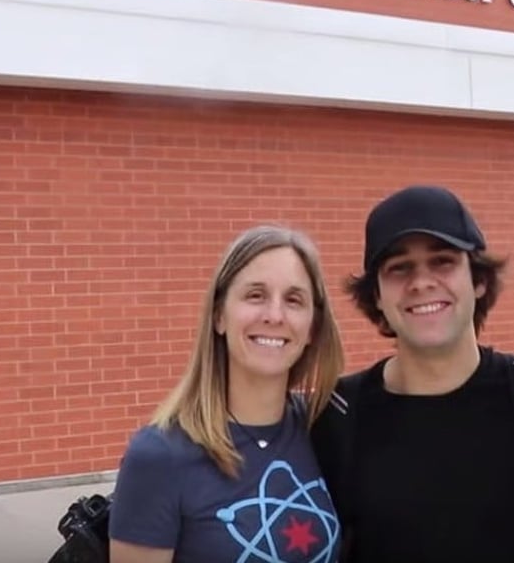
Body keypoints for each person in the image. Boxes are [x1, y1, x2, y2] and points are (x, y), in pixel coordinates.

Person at [311, 185, 514, 563]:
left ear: (478, 280)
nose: (421, 282)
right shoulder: (338, 414)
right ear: (377, 295)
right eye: (399, 268)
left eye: (443, 261)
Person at [108, 225, 346, 563]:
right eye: (255, 295)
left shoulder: (326, 430)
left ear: (313, 328)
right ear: (219, 315)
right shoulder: (159, 456)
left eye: (293, 300)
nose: (274, 315)